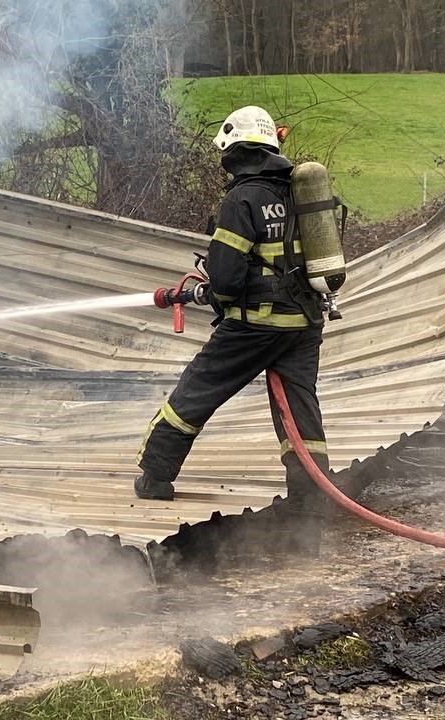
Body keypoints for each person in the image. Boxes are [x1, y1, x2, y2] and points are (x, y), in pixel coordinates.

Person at [134, 105, 333, 540]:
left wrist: (209, 291)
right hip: (304, 324)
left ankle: (155, 475)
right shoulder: (297, 191)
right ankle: (311, 499)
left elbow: (225, 279)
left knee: (197, 390)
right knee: (300, 409)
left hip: (253, 326)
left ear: (237, 151)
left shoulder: (242, 199)